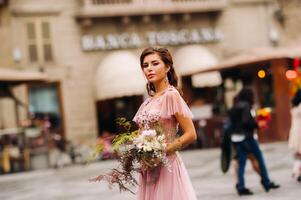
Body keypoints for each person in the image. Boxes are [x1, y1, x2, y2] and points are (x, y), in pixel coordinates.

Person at [133, 47, 197, 200]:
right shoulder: (147, 102)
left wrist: (163, 151)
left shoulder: (171, 95)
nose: (149, 69)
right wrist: (140, 151)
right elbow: (141, 134)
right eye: (145, 65)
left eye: (155, 64)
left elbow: (191, 134)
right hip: (148, 169)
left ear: (167, 67)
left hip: (167, 166)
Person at [229, 87, 280, 195]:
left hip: (236, 138)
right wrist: (257, 125)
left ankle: (241, 186)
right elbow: (246, 122)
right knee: (259, 159)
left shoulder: (235, 106)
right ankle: (266, 182)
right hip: (247, 138)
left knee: (241, 163)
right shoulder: (246, 106)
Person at [288, 88, 301, 182]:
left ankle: (297, 170)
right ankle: (297, 171)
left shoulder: (293, 106)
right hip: (299, 131)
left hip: (294, 131)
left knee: (298, 154)